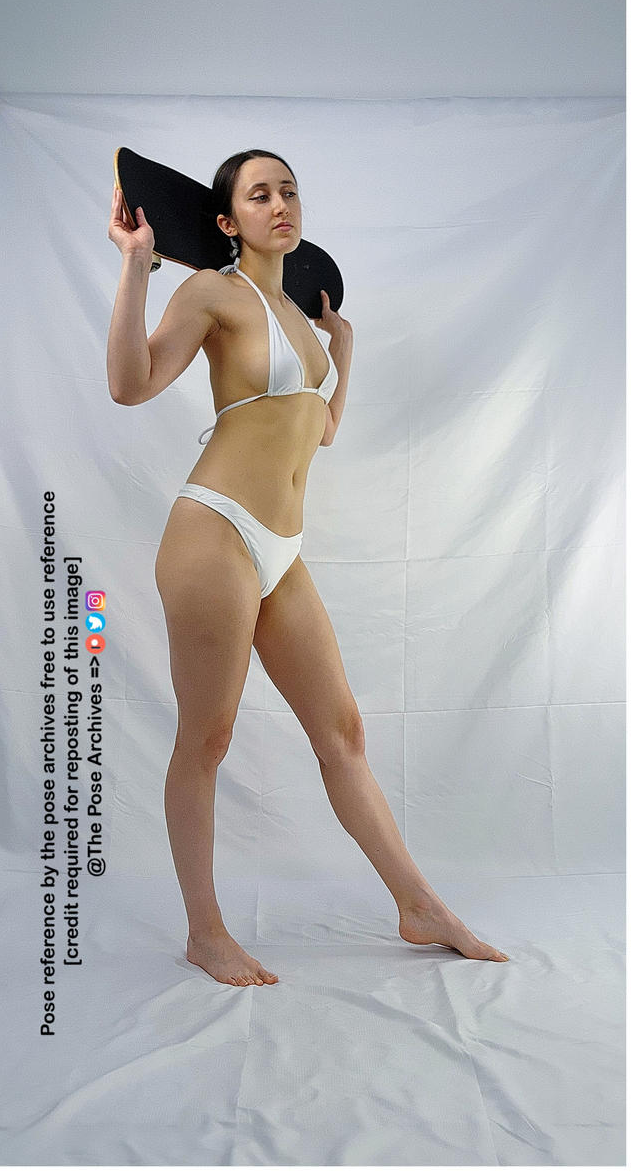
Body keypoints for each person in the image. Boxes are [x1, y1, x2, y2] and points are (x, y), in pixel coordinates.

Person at [106, 149, 508, 987]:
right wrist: (137, 266)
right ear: (227, 222)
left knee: (343, 732)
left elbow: (319, 428)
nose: (280, 203)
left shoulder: (297, 316)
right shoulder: (213, 292)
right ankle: (206, 931)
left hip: (281, 550)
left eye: (288, 190)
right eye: (260, 195)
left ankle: (417, 904)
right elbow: (129, 384)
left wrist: (343, 349)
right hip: (213, 532)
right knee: (207, 737)